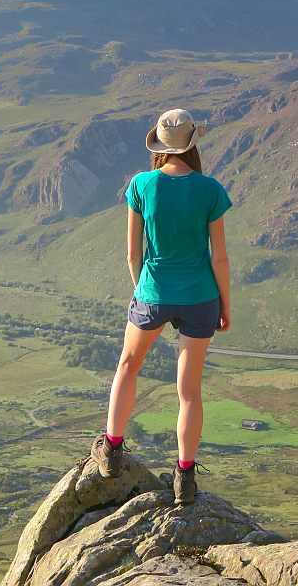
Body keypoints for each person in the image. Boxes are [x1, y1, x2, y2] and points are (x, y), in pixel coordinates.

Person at [91, 108, 232, 506]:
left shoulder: (140, 185)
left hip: (152, 292)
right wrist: (225, 303)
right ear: (193, 144)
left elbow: (132, 253)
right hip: (201, 296)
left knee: (127, 366)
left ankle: (112, 453)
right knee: (189, 391)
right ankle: (185, 479)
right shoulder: (211, 190)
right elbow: (219, 258)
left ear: (160, 145)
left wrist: (144, 293)